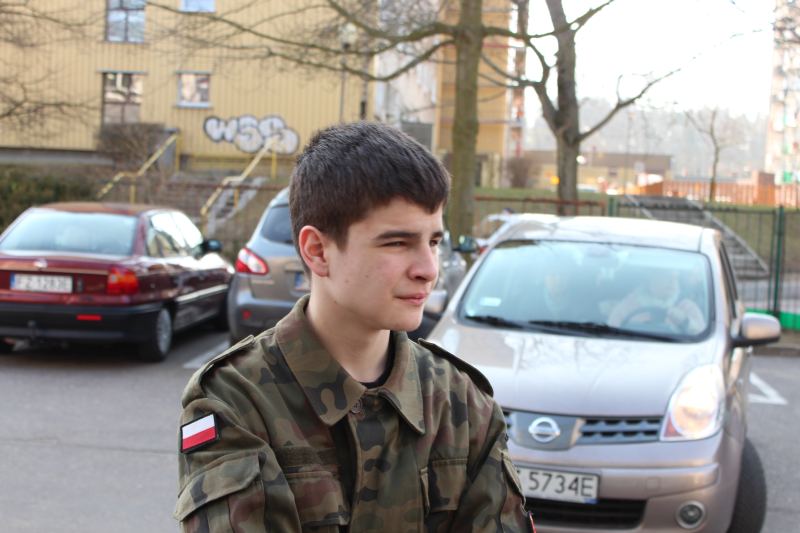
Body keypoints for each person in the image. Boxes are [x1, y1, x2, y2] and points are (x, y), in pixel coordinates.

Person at [175, 123, 534, 532]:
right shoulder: (236, 400)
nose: (428, 269)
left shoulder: (461, 404)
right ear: (318, 251)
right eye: (397, 243)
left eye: (433, 242)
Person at [608, 268, 705, 334]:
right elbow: (611, 336)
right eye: (666, 276)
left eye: (676, 277)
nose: (672, 281)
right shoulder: (627, 306)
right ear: (651, 278)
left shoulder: (687, 307)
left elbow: (703, 338)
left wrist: (685, 321)